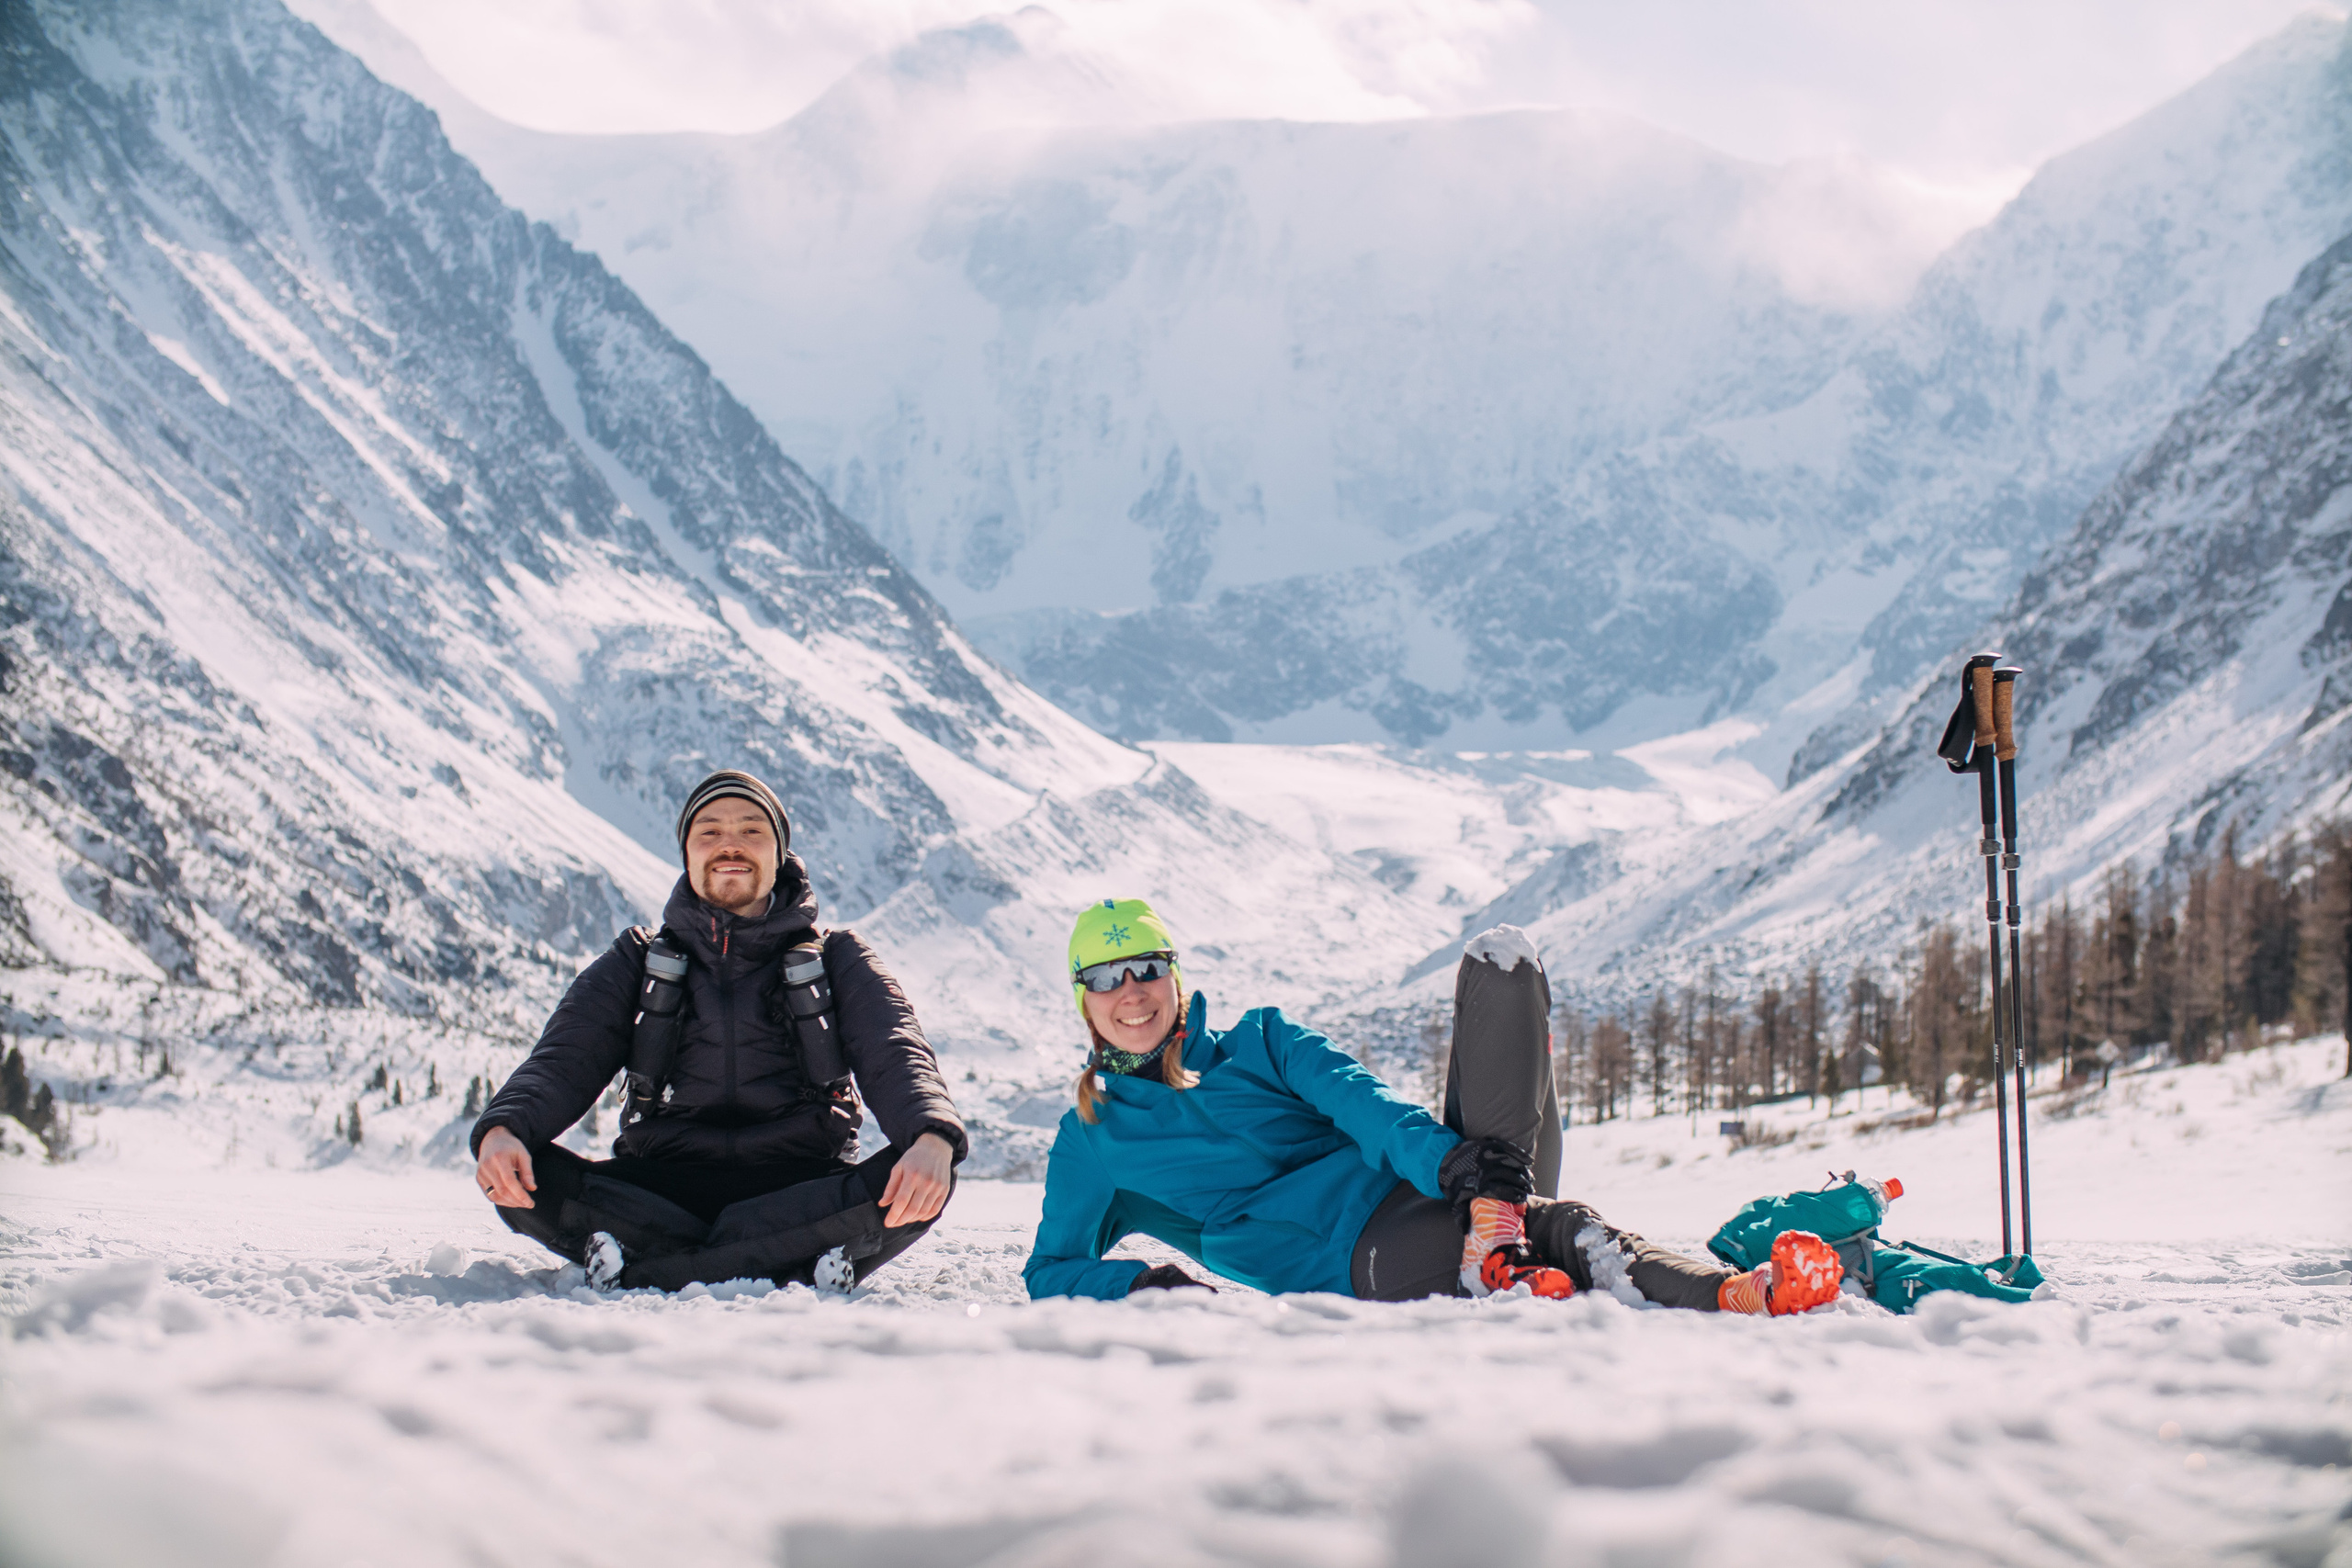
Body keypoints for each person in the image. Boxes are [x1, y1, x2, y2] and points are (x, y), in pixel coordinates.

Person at [1024, 899, 1842, 1313]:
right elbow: (1049, 1270)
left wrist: (1450, 1161)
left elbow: (1364, 1102)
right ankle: (1516, 1259)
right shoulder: (1093, 1138)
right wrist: (1140, 1286)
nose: (1128, 993)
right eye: (1102, 977)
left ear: (1174, 973)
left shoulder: (1263, 1042)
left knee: (1503, 961)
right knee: (1552, 1226)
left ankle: (1726, 1290)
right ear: (1083, 1001)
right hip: (1347, 1258)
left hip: (1439, 1184)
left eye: (1144, 968)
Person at [472, 770, 966, 1292]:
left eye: (753, 831)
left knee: (928, 1174)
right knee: (522, 1176)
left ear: (781, 854)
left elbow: (896, 1052)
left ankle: (640, 1261)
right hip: (658, 1184)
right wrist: (504, 1130)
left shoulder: (839, 958)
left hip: (802, 1183)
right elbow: (565, 1058)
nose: (730, 844)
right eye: (709, 832)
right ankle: (799, 1262)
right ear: (686, 854)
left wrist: (932, 1136)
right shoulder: (635, 959)